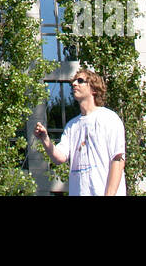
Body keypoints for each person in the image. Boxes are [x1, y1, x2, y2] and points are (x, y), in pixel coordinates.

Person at [34, 68, 127, 196]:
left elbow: (118, 159)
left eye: (80, 81)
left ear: (94, 89)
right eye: (73, 81)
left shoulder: (109, 118)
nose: (74, 84)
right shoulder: (71, 125)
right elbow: (59, 158)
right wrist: (45, 139)